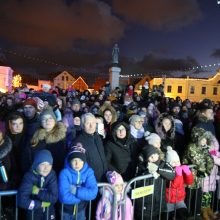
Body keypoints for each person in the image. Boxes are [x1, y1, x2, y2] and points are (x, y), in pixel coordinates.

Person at [135, 144, 175, 220]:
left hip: (159, 201)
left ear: (157, 154)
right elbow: (137, 181)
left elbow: (172, 174)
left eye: (154, 154)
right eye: (150, 156)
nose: (153, 157)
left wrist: (158, 169)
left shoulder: (163, 163)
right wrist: (147, 172)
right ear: (147, 158)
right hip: (146, 202)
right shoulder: (142, 166)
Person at [59, 144, 98, 220]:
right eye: (74, 160)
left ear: (83, 162)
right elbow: (64, 197)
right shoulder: (64, 173)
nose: (77, 164)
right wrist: (83, 197)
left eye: (80, 160)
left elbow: (93, 192)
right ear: (70, 161)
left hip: (80, 210)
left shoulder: (88, 172)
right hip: (66, 211)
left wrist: (75, 191)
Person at [18, 150, 58, 220]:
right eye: (43, 164)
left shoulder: (51, 175)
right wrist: (40, 204)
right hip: (33, 214)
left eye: (49, 164)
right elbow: (22, 201)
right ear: (36, 165)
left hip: (49, 212)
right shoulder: (29, 177)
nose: (46, 168)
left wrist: (37, 192)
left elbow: (54, 198)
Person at [73, 113, 107, 182]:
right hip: (90, 182)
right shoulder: (78, 143)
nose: (91, 126)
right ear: (82, 125)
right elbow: (77, 167)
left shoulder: (97, 137)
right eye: (88, 123)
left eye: (93, 123)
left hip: (103, 179)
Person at [165, 146, 193, 220]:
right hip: (169, 200)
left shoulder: (179, 169)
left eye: (178, 161)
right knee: (169, 217)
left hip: (180, 199)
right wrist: (178, 175)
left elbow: (189, 182)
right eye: (174, 162)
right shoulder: (167, 172)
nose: (177, 164)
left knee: (184, 215)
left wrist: (188, 173)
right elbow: (174, 186)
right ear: (168, 164)